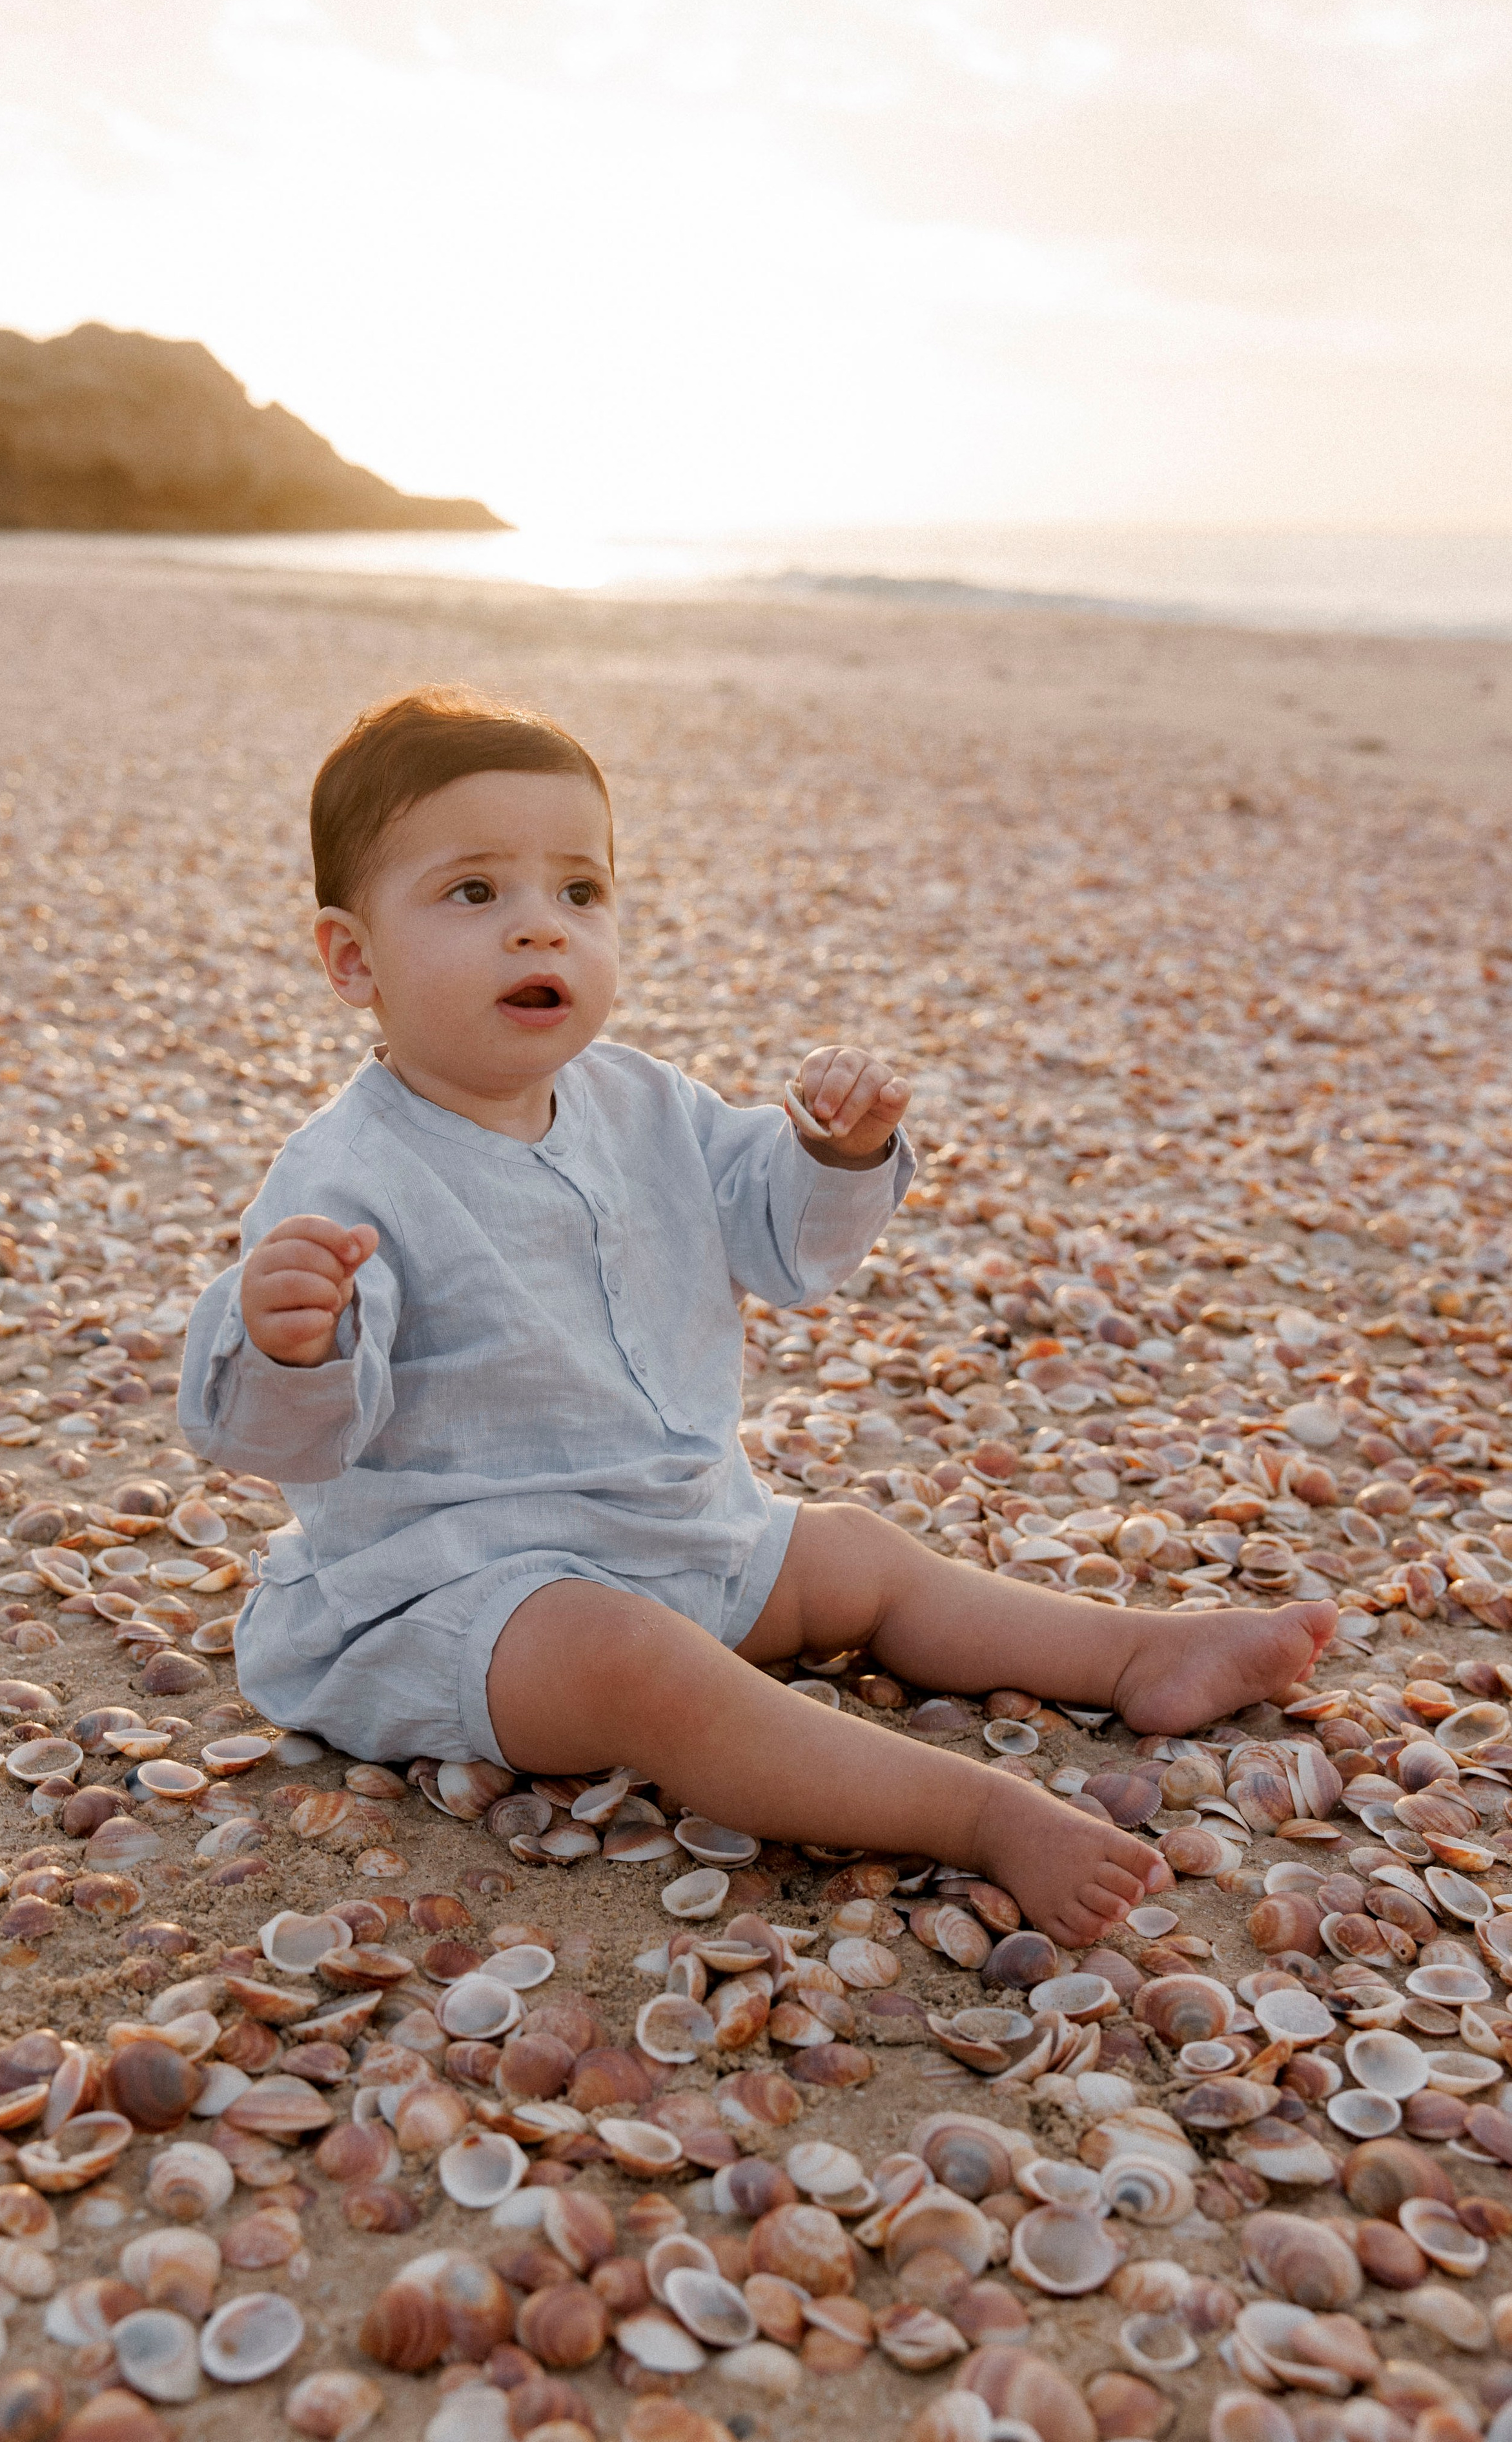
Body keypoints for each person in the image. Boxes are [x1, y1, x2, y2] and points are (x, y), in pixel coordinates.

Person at [179, 686, 1335, 1945]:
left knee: (858, 1556)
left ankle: (1132, 1654)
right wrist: (292, 1341)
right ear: (353, 960)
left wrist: (835, 1154)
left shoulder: (646, 1104)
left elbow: (784, 1244)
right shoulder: (346, 1177)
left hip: (680, 1537)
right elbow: (285, 1441)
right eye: (474, 892)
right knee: (637, 1664)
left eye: (580, 891)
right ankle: (974, 1813)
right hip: (460, 1600)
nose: (540, 927)